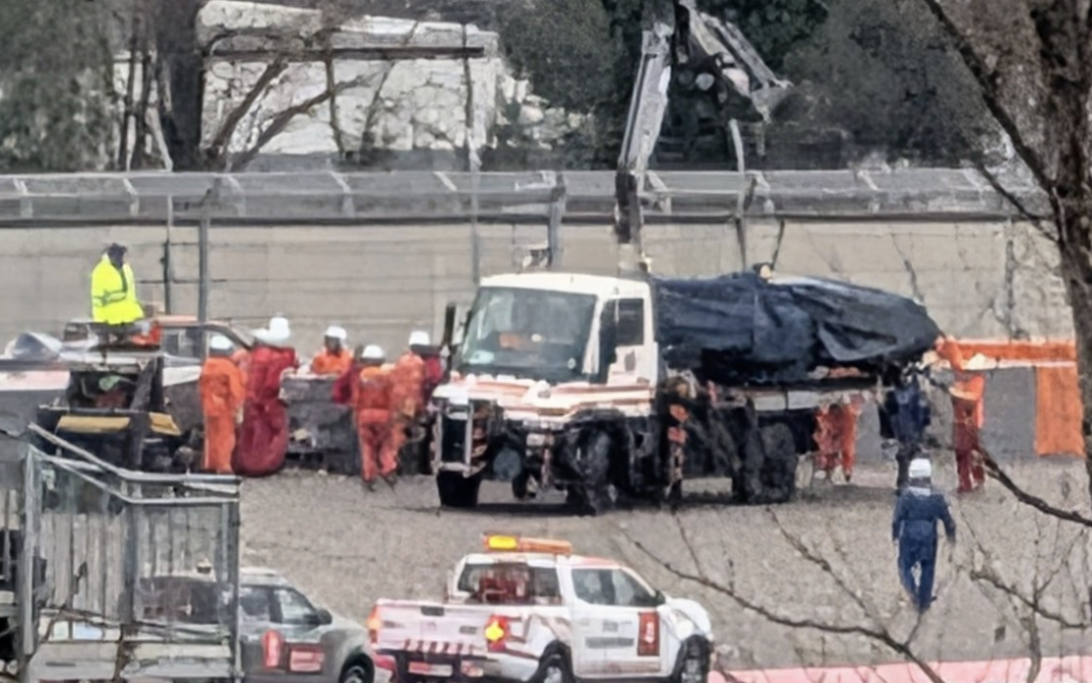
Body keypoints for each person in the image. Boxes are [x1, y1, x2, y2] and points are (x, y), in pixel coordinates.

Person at [235, 316, 299, 477]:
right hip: (268, 403)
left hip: (251, 402)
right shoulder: (280, 358)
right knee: (271, 437)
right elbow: (272, 385)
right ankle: (263, 466)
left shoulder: (257, 355)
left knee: (250, 436)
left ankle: (245, 464)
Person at [892, 458, 956, 612]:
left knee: (905, 565)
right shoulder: (936, 496)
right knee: (928, 567)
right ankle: (924, 599)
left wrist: (894, 535)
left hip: (908, 533)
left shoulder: (906, 496)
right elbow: (947, 518)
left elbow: (897, 518)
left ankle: (912, 590)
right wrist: (951, 535)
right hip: (929, 535)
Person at [936, 339, 990, 493]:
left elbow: (972, 397)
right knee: (961, 453)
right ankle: (965, 482)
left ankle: (977, 479)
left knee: (971, 452)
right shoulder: (963, 379)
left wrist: (953, 391)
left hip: (972, 423)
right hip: (960, 422)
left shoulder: (977, 380)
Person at [341, 345, 398, 490]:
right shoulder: (389, 375)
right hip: (384, 415)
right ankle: (388, 468)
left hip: (365, 415)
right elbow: (394, 397)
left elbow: (356, 398)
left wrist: (354, 415)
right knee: (386, 444)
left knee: (367, 447)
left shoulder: (360, 375)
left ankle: (368, 477)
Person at [199, 334, 246, 475]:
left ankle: (210, 464)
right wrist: (238, 407)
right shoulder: (228, 367)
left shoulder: (207, 365)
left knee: (211, 437)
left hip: (208, 406)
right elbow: (236, 390)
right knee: (225, 438)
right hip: (224, 407)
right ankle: (223, 465)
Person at [882, 368, 932, 491]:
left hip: (911, 417)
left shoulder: (918, 379)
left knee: (911, 450)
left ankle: (912, 482)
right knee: (905, 451)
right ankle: (905, 482)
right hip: (903, 417)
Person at [389, 331, 430, 467]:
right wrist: (421, 408)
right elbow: (414, 388)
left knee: (396, 429)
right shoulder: (417, 363)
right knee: (403, 431)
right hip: (408, 403)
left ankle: (392, 461)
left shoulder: (402, 360)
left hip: (396, 400)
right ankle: (395, 462)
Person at [91, 243, 144, 326]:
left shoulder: (127, 269)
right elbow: (97, 298)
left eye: (123, 256)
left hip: (128, 317)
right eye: (120, 256)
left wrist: (137, 313)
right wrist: (100, 320)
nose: (123, 259)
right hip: (110, 320)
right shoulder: (101, 271)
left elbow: (131, 294)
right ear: (112, 257)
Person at [813, 396, 863, 483]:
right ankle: (840, 470)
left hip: (839, 419)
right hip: (838, 418)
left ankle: (838, 471)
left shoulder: (832, 442)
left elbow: (848, 449)